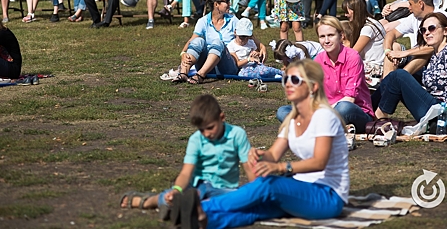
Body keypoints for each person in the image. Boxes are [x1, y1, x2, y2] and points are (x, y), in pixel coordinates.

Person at [190, 59, 349, 229]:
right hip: (300, 188)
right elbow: (273, 155)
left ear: (313, 87)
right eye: (285, 79)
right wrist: (257, 154)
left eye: (295, 80)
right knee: (256, 208)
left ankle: (201, 207)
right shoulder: (292, 119)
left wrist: (281, 168)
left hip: (328, 196)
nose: (288, 84)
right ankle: (202, 221)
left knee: (268, 185)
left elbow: (319, 162)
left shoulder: (324, 116)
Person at [120, 94, 256, 211]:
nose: (206, 134)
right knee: (173, 196)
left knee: (241, 198)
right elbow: (186, 173)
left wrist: (257, 190)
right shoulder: (196, 139)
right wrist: (176, 190)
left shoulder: (237, 134)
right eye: (202, 130)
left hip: (225, 189)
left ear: (222, 117)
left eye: (210, 128)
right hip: (197, 186)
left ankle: (187, 208)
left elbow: (249, 167)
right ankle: (150, 201)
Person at [373, 12, 447, 121]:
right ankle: (368, 110)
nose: (427, 33)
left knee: (398, 76)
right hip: (435, 107)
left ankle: (377, 116)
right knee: (395, 77)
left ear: (446, 31)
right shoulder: (436, 53)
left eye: (432, 28)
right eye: (423, 30)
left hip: (446, 113)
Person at [277, 16, 374, 133]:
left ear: (341, 36)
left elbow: (350, 98)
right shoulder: (319, 59)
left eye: (331, 35)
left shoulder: (353, 57)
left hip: (354, 111)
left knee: (344, 107)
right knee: (283, 111)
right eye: (322, 36)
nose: (326, 40)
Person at [172, 0, 267, 84]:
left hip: (227, 65)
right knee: (198, 41)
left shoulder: (233, 20)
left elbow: (250, 36)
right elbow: (192, 40)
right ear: (216, 4)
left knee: (218, 42)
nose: (230, 4)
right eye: (226, 1)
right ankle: (183, 73)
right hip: (208, 64)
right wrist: (183, 53)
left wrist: (262, 47)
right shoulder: (203, 21)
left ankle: (200, 75)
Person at [382, 0, 447, 78]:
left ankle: (397, 79)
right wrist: (388, 51)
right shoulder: (414, 18)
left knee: (424, 54)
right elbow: (392, 33)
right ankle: (386, 84)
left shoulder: (443, 18)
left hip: (439, 63)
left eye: (410, 4)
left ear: (420, 4)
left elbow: (436, 47)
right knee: (394, 47)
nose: (409, 8)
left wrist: (405, 53)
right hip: (416, 61)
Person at [342, 0, 386, 87]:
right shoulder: (370, 22)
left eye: (347, 11)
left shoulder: (368, 28)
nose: (345, 15)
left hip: (374, 68)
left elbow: (354, 53)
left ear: (354, 10)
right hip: (372, 65)